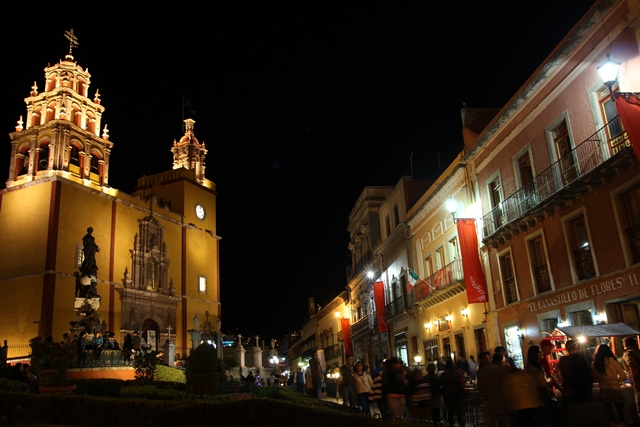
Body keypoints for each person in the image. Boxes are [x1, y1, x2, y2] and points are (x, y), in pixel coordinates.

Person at [593, 344, 628, 427]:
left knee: (610, 416)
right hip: (616, 389)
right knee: (621, 415)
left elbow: (596, 378)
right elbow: (623, 376)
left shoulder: (595, 364)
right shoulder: (613, 361)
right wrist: (617, 381)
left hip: (604, 390)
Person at [557, 339, 593, 405]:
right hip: (582, 389)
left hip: (569, 388)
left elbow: (561, 373)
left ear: (566, 348)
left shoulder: (563, 360)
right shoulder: (582, 359)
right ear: (576, 347)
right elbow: (590, 373)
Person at [439, 358, 467, 426]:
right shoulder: (457, 374)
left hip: (448, 397)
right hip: (458, 397)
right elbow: (461, 383)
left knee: (450, 414)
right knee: (460, 415)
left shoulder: (443, 375)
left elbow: (440, 385)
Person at [623, 335, 640, 419]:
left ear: (625, 344)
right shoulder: (638, 351)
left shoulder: (628, 353)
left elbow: (633, 368)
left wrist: (635, 383)